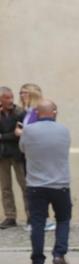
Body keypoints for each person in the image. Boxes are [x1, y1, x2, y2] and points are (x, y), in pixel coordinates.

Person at [20, 100, 71, 264]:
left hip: (36, 185)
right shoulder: (64, 130)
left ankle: (37, 262)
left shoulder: (28, 131)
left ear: (37, 113)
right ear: (54, 112)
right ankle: (59, 254)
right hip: (60, 184)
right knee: (63, 220)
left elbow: (23, 148)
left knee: (37, 223)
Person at [0, 86, 27, 229]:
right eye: (7, 98)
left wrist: (2, 137)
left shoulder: (19, 112)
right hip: (2, 155)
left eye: (11, 97)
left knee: (25, 185)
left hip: (17, 154)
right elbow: (13, 134)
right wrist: (10, 136)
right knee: (5, 187)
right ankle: (10, 216)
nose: (10, 100)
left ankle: (31, 215)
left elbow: (19, 133)